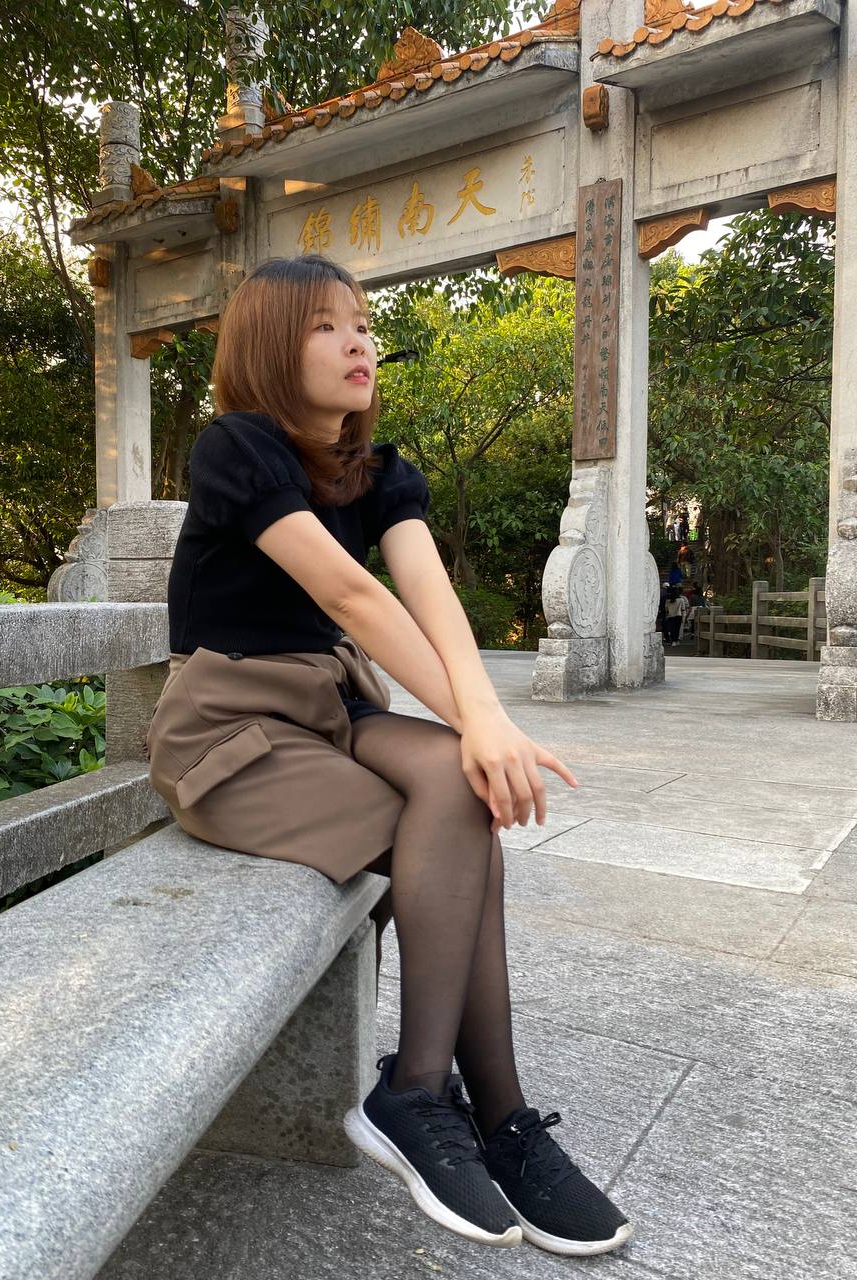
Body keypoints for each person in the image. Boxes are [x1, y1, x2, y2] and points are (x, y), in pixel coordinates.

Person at [144, 255, 632, 1257]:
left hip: (330, 708)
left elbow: (425, 591)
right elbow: (352, 596)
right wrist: (479, 721)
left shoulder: (379, 473)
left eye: (363, 324)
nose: (359, 341)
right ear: (269, 348)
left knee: (462, 779)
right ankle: (439, 1098)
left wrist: (482, 717)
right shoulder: (238, 447)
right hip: (230, 732)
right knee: (457, 812)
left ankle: (483, 1115)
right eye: (326, 326)